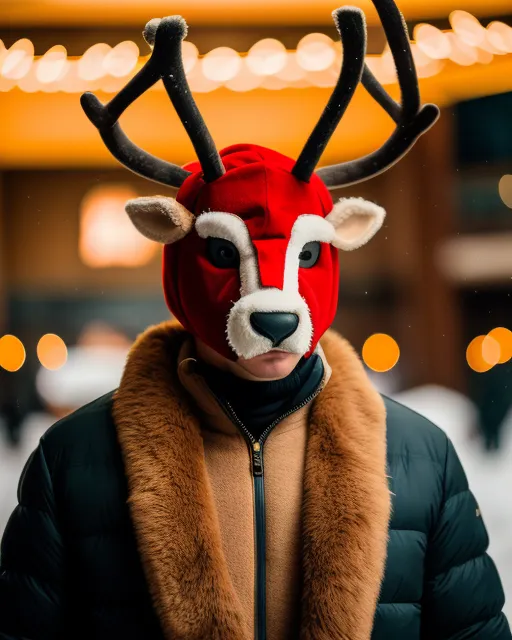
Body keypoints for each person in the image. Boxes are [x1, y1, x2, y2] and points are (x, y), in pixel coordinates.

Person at [0, 4, 510, 640]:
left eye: (304, 255)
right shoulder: (73, 459)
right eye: (222, 254)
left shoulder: (420, 456)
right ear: (180, 259)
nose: (272, 298)